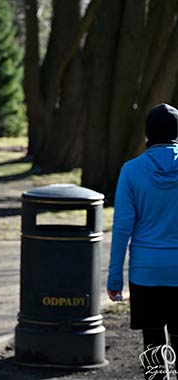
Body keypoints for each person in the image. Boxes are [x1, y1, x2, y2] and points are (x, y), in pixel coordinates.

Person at [107, 103, 178, 380]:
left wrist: (115, 279)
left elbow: (122, 228)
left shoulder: (131, 170)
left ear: (148, 134)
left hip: (146, 271)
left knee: (153, 343)